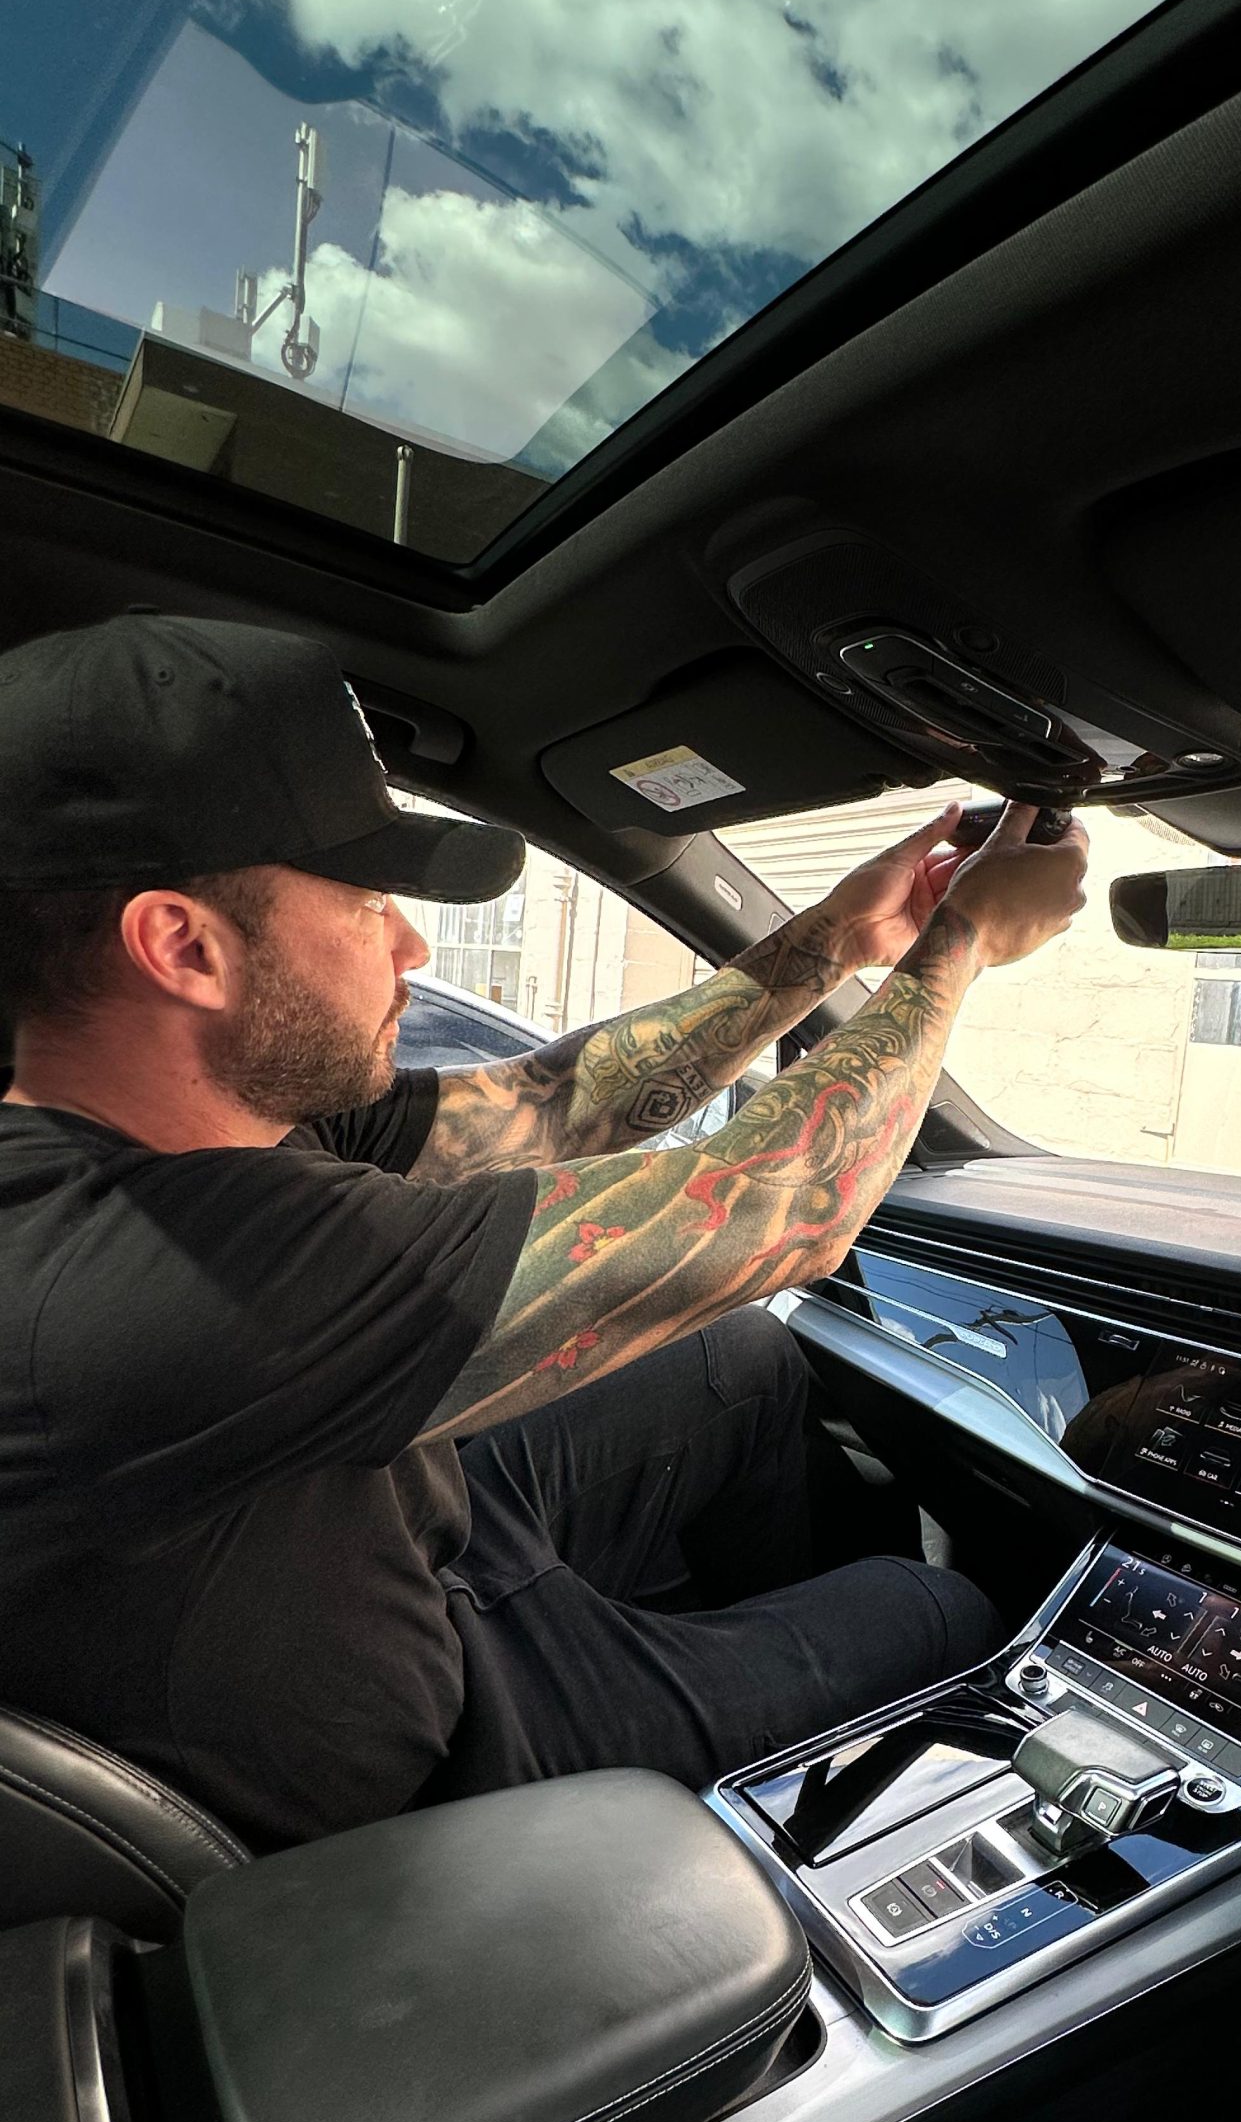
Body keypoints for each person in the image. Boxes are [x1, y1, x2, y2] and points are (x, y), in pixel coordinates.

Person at [0, 614, 1087, 1847]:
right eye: (368, 902)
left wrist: (838, 937)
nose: (412, 943)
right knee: (932, 1608)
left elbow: (553, 1101)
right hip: (451, 1759)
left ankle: (740, 1710)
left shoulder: (185, 1118)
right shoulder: (143, 1271)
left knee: (738, 1361)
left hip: (396, 1547)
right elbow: (784, 1205)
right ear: (183, 946)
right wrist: (960, 946)